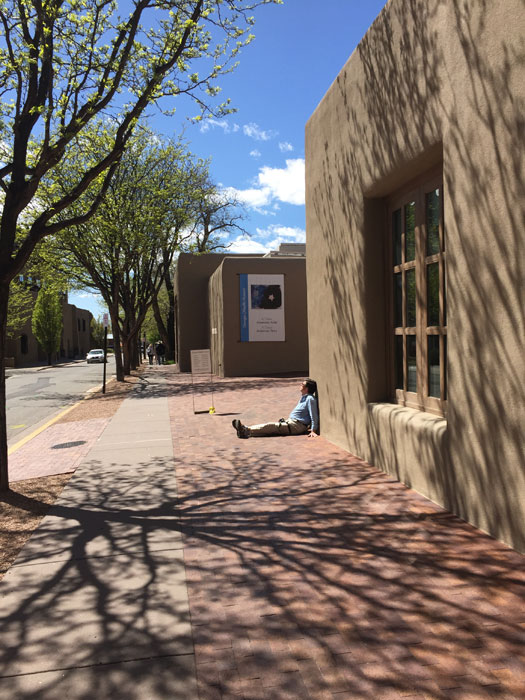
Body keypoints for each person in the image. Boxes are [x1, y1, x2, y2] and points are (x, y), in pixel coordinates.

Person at [232, 379, 319, 439]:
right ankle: (245, 432)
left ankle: (245, 429)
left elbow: (313, 415)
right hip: (292, 423)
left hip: (297, 426)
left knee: (271, 426)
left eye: (302, 384)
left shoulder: (310, 399)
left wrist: (313, 430)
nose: (300, 385)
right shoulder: (304, 397)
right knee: (271, 430)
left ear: (307, 388)